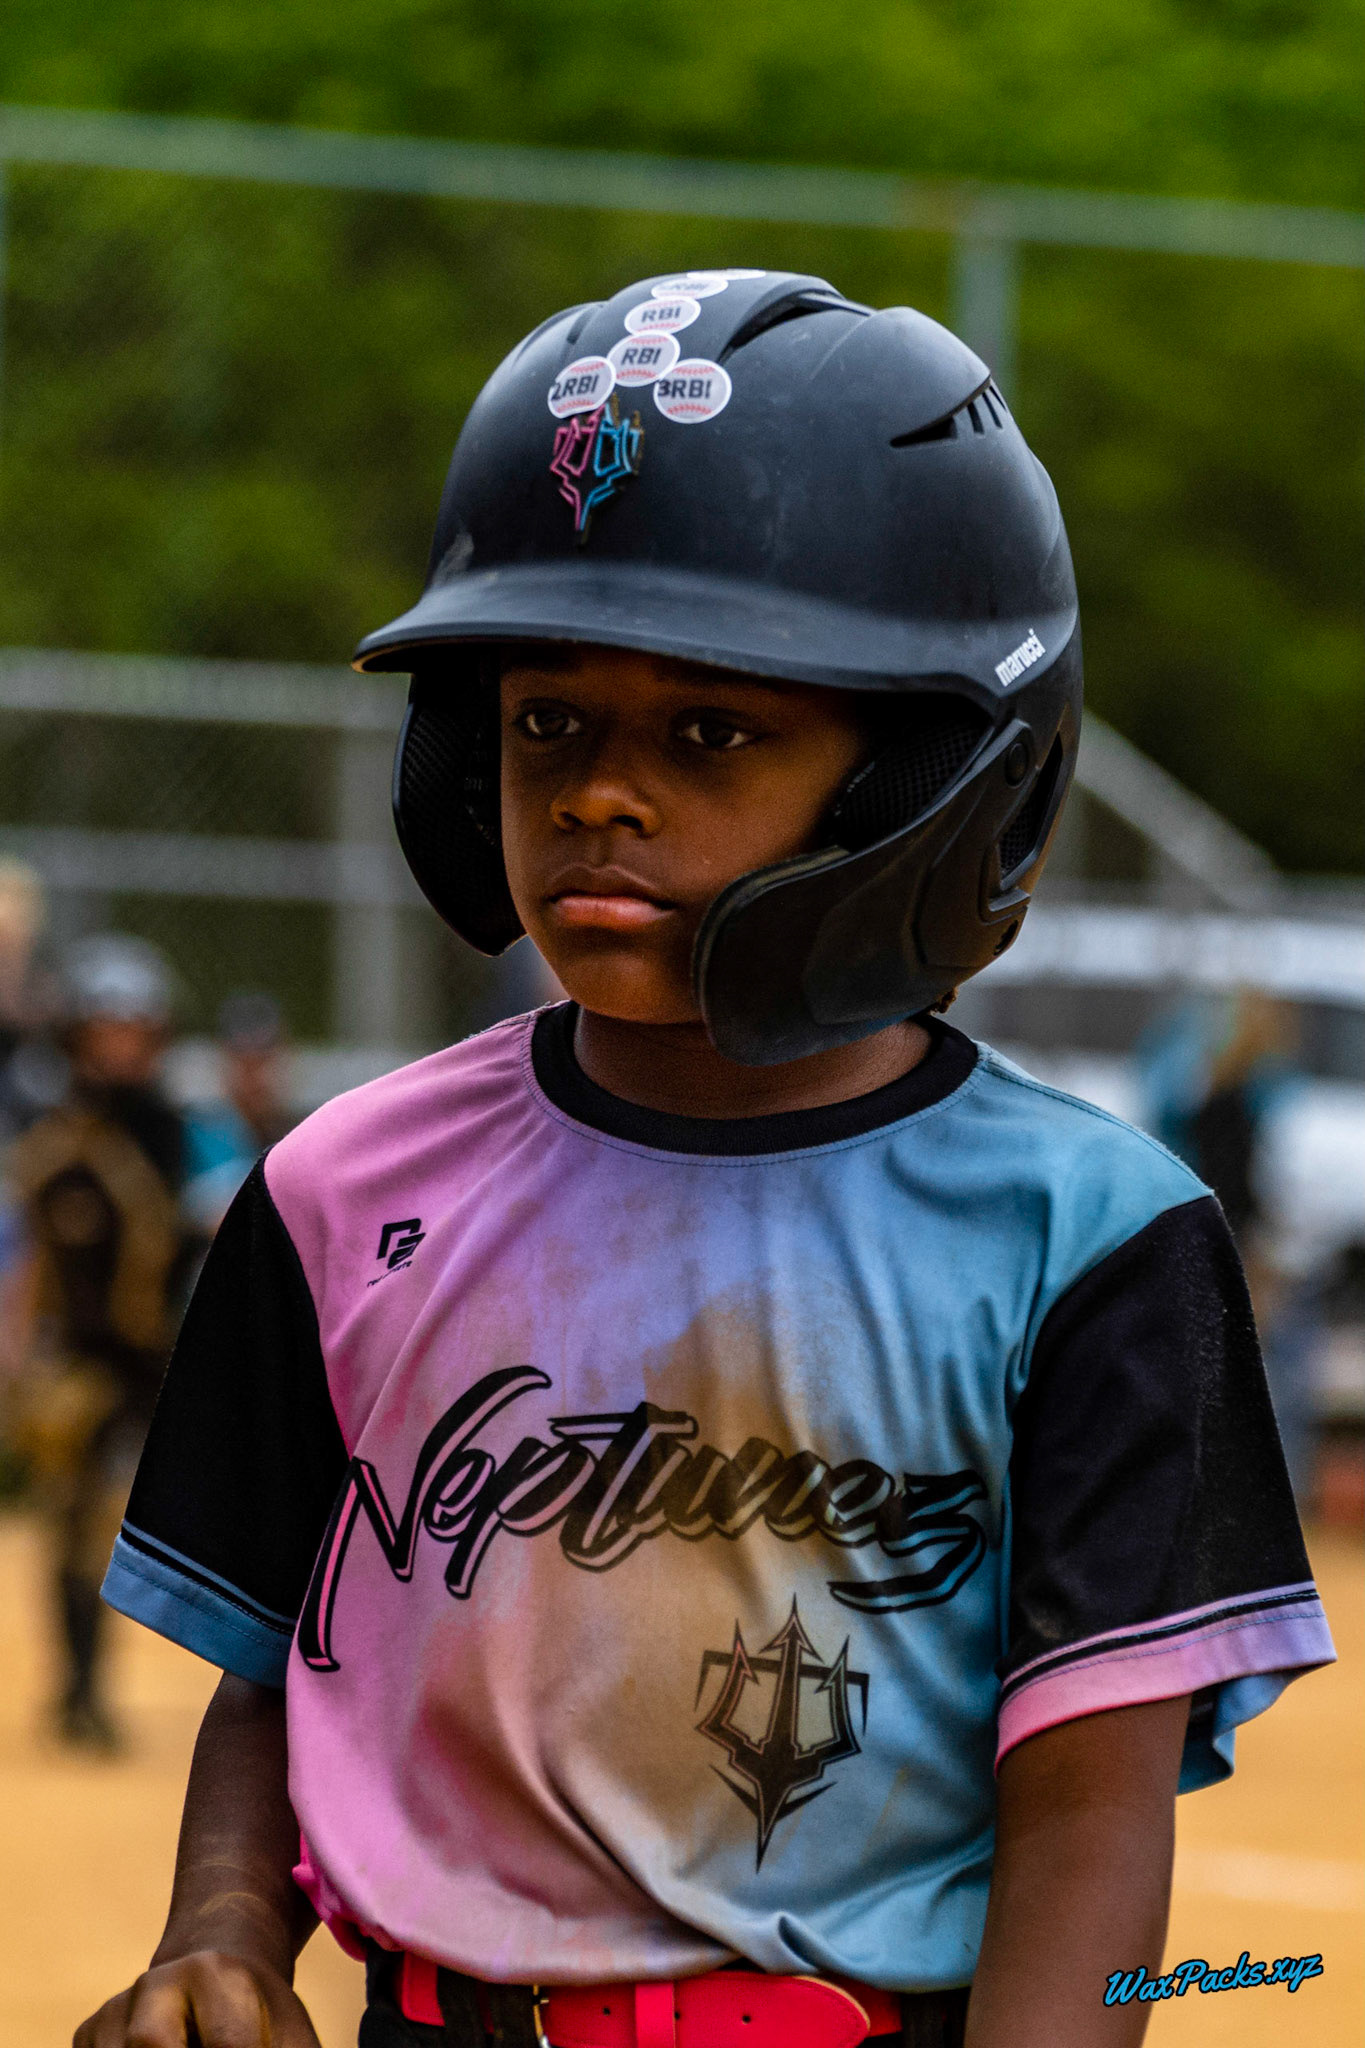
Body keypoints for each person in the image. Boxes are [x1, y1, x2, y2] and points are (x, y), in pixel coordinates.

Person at [83, 273, 1332, 2048]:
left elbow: (1094, 1799)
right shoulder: (343, 1188)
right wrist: (220, 1928)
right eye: (545, 722)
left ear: (924, 781)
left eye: (711, 731)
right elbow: (291, 1662)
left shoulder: (1090, 1239)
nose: (598, 791)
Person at [7, 932, 190, 1748]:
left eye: (141, 1031)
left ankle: (93, 1686)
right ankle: (79, 1690)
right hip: (83, 1362)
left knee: (125, 1529)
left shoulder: (168, 1134)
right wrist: (22, 1350)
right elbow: (30, 1258)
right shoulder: (57, 1145)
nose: (128, 1046)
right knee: (77, 1521)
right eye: (112, 1029)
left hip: (154, 1361)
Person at [182, 992, 296, 1235]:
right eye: (244, 1062)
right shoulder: (197, 1135)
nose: (255, 1075)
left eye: (263, 1060)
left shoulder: (300, 1136)